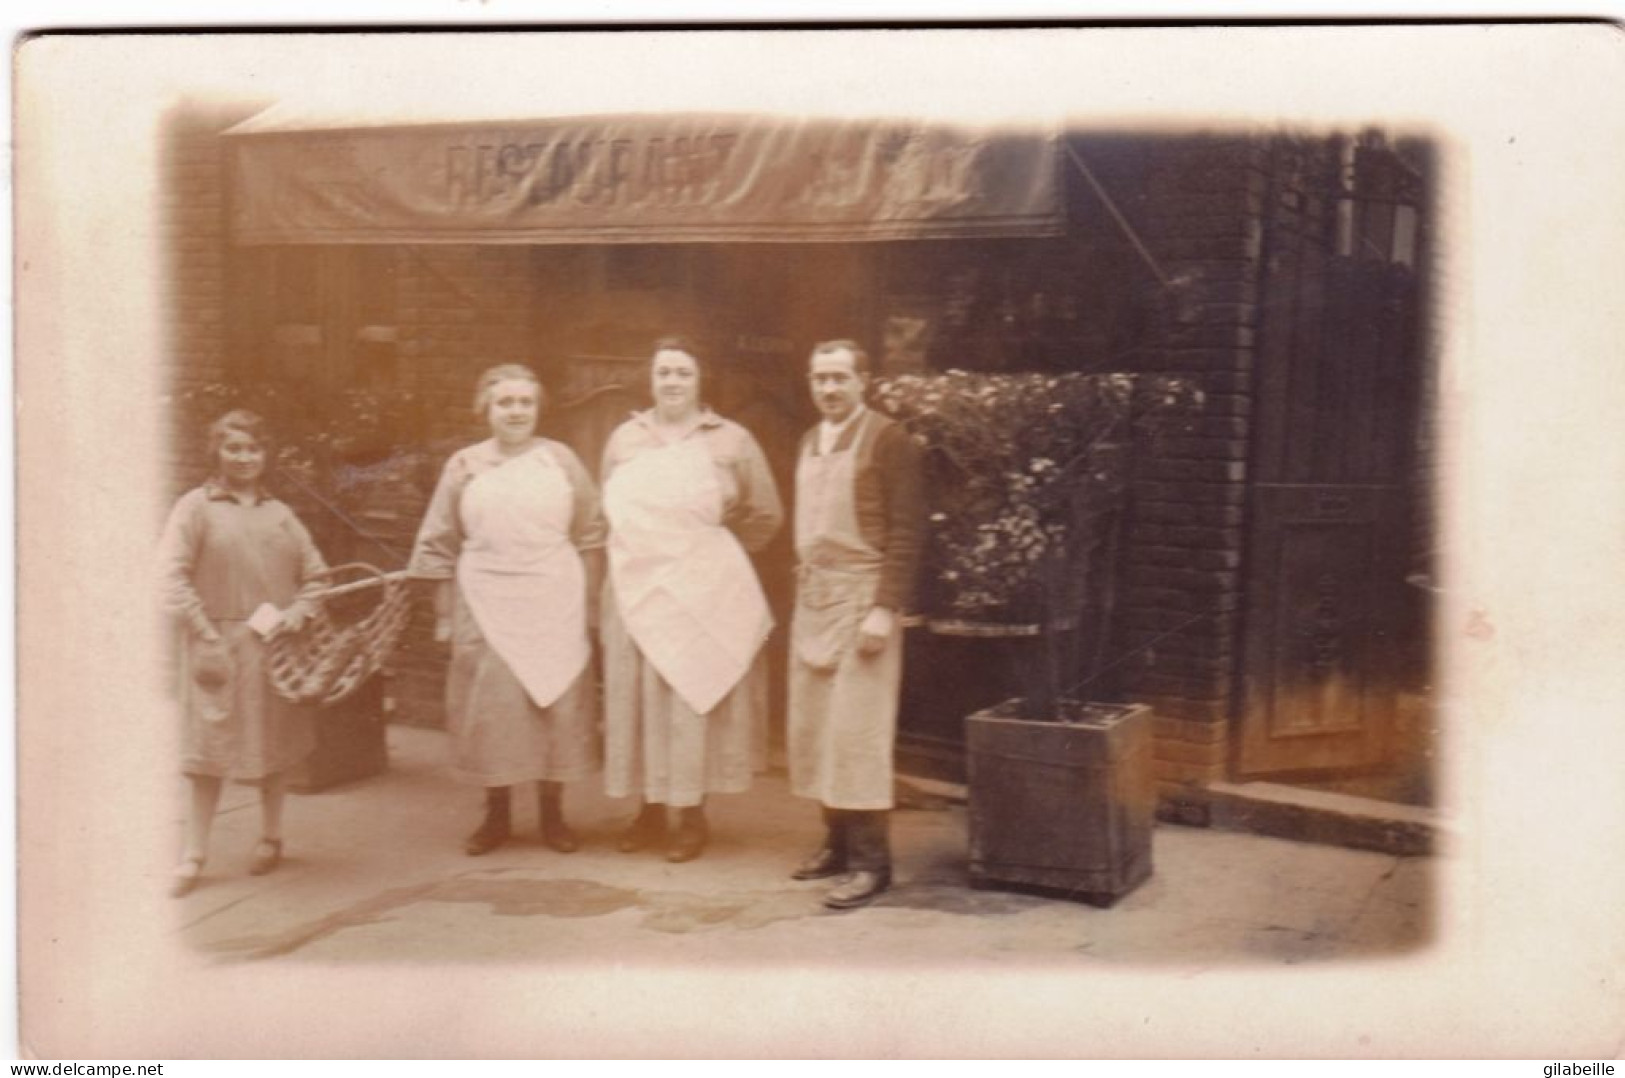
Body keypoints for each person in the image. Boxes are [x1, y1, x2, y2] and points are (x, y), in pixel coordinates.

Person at [408, 364, 604, 856]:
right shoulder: (464, 466)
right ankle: (495, 815)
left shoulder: (561, 461)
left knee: (553, 705)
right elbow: (438, 544)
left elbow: (592, 531)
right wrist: (446, 615)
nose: (516, 412)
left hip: (553, 597)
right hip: (485, 598)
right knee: (493, 710)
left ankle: (552, 814)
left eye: (525, 403)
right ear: (485, 409)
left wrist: (590, 603)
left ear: (538, 409)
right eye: (505, 403)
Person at [600, 338, 783, 862]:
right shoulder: (625, 439)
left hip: (701, 587)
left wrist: (714, 561)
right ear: (650, 379)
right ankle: (650, 812)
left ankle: (692, 813)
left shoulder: (732, 439)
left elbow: (765, 512)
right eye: (663, 372)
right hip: (637, 586)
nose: (673, 382)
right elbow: (606, 510)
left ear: (700, 380)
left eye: (683, 372)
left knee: (689, 698)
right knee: (641, 698)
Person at [158, 409, 329, 897]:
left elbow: (317, 577)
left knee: (272, 749)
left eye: (253, 448)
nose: (244, 457)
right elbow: (170, 574)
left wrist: (297, 614)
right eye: (233, 448)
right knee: (205, 756)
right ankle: (193, 854)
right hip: (213, 646)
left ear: (266, 454)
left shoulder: (281, 515)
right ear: (217, 452)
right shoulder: (195, 508)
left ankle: (271, 836)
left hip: (271, 649)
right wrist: (203, 631)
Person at [787, 339, 925, 909]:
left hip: (863, 597)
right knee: (819, 727)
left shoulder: (889, 440)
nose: (829, 389)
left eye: (840, 377)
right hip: (815, 596)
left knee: (859, 730)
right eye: (820, 378)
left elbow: (909, 531)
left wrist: (884, 608)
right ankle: (837, 844)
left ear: (863, 380)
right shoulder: (807, 440)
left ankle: (873, 864)